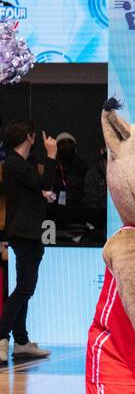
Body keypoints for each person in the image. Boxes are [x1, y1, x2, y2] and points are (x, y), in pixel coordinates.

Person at [0, 122, 56, 363]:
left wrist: (42, 195)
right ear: (29, 137)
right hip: (24, 234)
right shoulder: (13, 163)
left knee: (25, 288)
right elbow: (45, 183)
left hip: (30, 232)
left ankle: (21, 341)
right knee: (24, 288)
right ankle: (3, 337)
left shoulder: (21, 165)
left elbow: (35, 189)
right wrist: (52, 156)